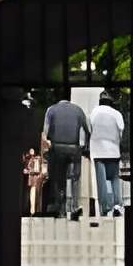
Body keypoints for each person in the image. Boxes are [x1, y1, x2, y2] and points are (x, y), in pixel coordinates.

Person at [39, 90, 88, 220]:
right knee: (75, 178)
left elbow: (45, 131)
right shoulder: (78, 110)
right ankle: (75, 207)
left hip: (57, 148)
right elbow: (87, 129)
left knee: (58, 179)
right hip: (74, 149)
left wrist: (46, 149)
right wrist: (84, 147)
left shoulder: (51, 110)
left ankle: (60, 208)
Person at [88, 94, 127, 221]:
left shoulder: (94, 112)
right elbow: (121, 130)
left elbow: (89, 129)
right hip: (113, 150)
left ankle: (104, 207)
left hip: (98, 151)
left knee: (102, 181)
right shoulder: (116, 114)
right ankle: (117, 205)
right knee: (115, 179)